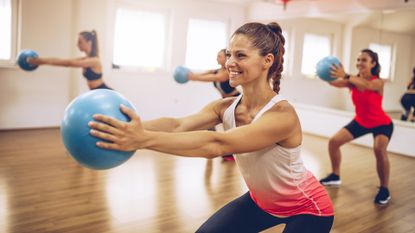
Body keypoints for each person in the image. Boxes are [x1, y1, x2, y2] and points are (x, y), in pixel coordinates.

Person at [89, 22, 334, 233]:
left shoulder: (282, 115)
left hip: (308, 208)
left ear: (266, 61)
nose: (229, 62)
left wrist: (142, 140)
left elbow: (217, 144)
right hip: (262, 202)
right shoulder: (225, 106)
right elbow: (178, 124)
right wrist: (126, 127)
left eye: (240, 55)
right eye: (229, 54)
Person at [320, 49, 394, 206]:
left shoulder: (378, 82)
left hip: (381, 123)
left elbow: (367, 84)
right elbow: (335, 83)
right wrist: (325, 72)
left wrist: (345, 75)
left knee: (379, 149)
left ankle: (384, 189)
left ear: (373, 64)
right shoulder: (352, 81)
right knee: (334, 142)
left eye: (364, 60)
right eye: (358, 59)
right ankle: (335, 175)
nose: (359, 63)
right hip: (361, 121)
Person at [188, 49, 241, 161]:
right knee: (209, 122)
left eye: (219, 56)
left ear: (226, 58)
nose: (217, 58)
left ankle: (230, 152)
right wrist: (191, 75)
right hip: (225, 101)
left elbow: (216, 78)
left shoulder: (228, 72)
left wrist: (194, 78)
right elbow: (205, 74)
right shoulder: (216, 70)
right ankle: (213, 147)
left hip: (235, 100)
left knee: (232, 127)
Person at [28, 30, 111, 90]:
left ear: (89, 42)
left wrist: (41, 61)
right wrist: (40, 61)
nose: (77, 45)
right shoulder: (85, 59)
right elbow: (63, 61)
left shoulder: (94, 61)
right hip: (95, 92)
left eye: (80, 42)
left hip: (103, 92)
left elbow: (68, 63)